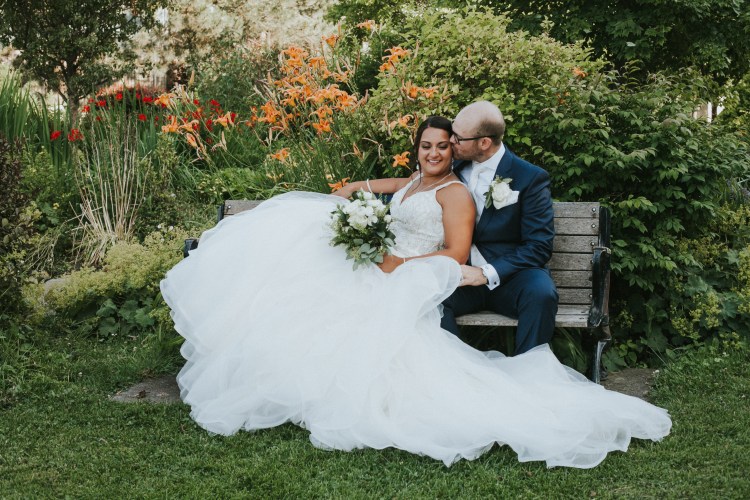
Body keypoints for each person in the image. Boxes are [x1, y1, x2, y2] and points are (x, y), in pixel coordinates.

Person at [161, 116, 670, 469]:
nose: (434, 153)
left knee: (358, 311)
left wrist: (396, 264)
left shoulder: (457, 191)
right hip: (390, 263)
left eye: (443, 146)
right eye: (426, 145)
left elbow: (455, 253)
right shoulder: (418, 180)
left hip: (420, 270)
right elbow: (395, 187)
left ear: (461, 149)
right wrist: (357, 191)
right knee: (305, 269)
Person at [442, 101, 558, 354]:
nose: (450, 141)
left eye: (458, 138)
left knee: (541, 293)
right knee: (428, 295)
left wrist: (485, 273)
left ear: (484, 142)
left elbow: (539, 246)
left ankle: (529, 369)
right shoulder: (449, 167)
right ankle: (455, 367)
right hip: (462, 274)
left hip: (512, 277)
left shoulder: (530, 177)